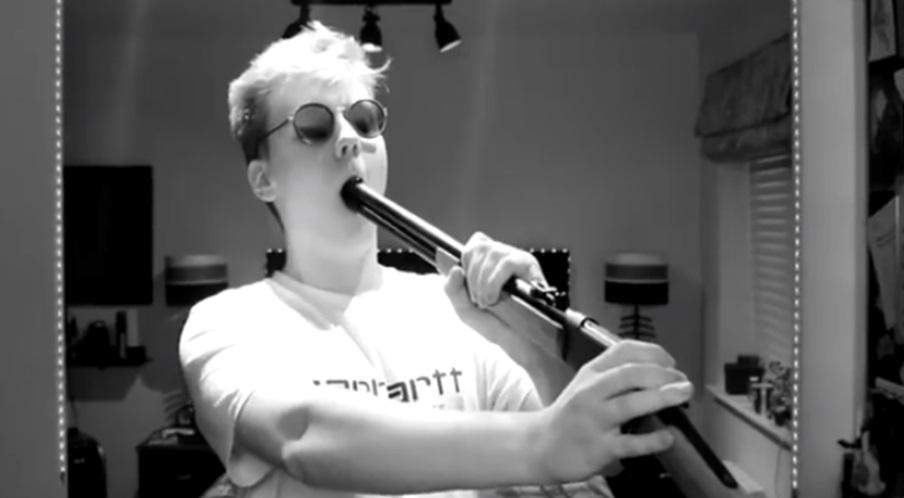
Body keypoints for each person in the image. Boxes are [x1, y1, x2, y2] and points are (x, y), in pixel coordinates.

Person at [179, 21, 693, 498]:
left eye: (363, 120)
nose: (349, 139)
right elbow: (301, 437)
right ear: (263, 179)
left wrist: (532, 336)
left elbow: (577, 463)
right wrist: (537, 443)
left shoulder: (455, 307)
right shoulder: (228, 322)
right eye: (314, 125)